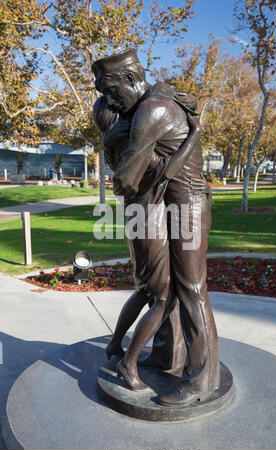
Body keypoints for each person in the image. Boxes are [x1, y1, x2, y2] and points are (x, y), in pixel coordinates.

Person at [92, 49, 220, 406]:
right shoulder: (156, 98)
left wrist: (118, 138)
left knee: (191, 288)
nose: (111, 103)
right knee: (171, 288)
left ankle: (203, 379)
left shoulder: (151, 111)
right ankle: (167, 354)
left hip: (188, 202)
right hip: (173, 200)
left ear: (132, 81)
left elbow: (127, 182)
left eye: (113, 93)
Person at [93, 95, 201, 386]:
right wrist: (194, 134)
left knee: (144, 291)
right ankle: (128, 364)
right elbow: (169, 168)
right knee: (164, 299)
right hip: (148, 222)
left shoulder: (114, 142)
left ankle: (116, 345)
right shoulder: (133, 147)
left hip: (137, 220)